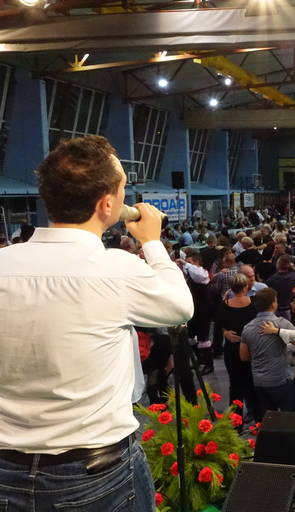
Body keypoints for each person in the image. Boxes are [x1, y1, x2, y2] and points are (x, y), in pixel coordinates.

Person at [0, 135, 194, 512]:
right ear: (107, 204)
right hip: (94, 473)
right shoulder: (116, 269)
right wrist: (152, 242)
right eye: (123, 190)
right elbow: (179, 307)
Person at [239, 288, 295, 420]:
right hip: (280, 381)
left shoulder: (247, 328)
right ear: (273, 304)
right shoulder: (282, 323)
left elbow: (244, 356)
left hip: (259, 382)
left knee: (269, 418)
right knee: (291, 418)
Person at [217, 272, 260, 420]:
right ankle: (258, 420)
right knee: (252, 384)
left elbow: (220, 325)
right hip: (251, 349)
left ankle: (236, 422)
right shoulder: (254, 303)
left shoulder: (224, 305)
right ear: (245, 286)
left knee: (235, 386)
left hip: (232, 349)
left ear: (231, 288)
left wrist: (225, 333)